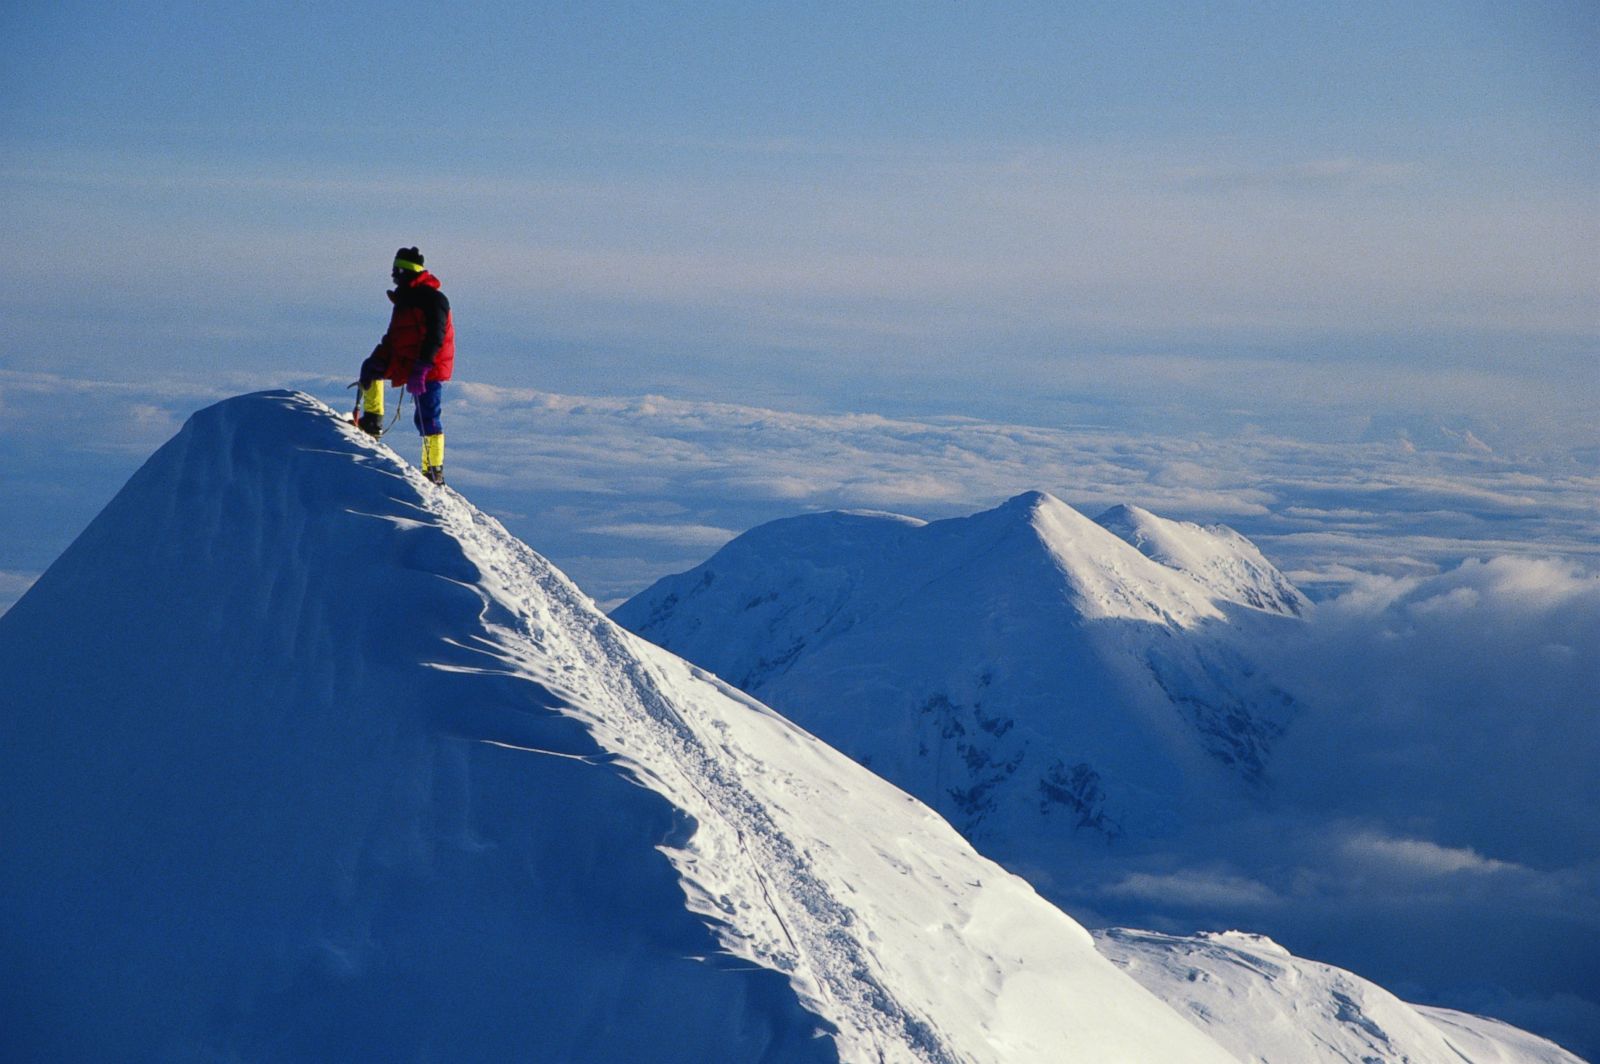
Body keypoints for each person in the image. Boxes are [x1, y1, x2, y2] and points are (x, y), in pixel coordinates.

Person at [355, 247, 455, 485]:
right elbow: (394, 338)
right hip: (408, 359)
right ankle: (372, 421)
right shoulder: (405, 300)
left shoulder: (432, 300)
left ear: (403, 271)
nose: (393, 277)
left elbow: (435, 337)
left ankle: (433, 469)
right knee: (371, 370)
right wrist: (377, 358)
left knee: (427, 414)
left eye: (395, 272)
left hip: (429, 365)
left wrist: (422, 368)